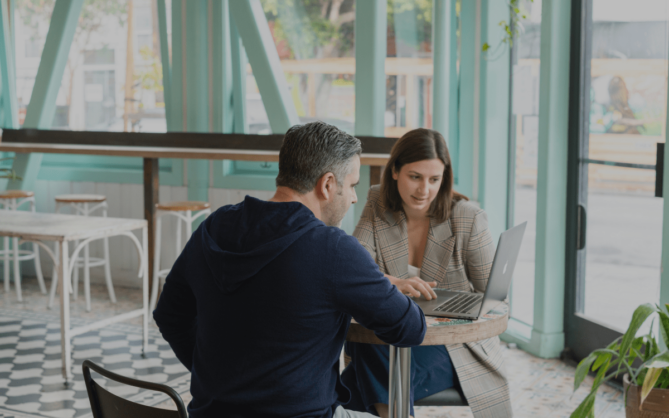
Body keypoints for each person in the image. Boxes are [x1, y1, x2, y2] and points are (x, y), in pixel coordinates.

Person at [153, 121, 427, 418]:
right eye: (351, 185)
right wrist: (376, 282)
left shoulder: (215, 227)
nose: (354, 197)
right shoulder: (333, 249)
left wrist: (215, 379)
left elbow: (169, 314)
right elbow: (411, 328)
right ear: (327, 184)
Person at [341, 128, 512, 418]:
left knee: (345, 384)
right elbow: (352, 271)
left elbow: (495, 300)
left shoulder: (468, 218)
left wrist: (449, 313)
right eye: (415, 177)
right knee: (371, 345)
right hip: (394, 337)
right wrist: (394, 283)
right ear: (395, 171)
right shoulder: (377, 201)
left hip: (453, 347)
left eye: (435, 179)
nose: (424, 190)